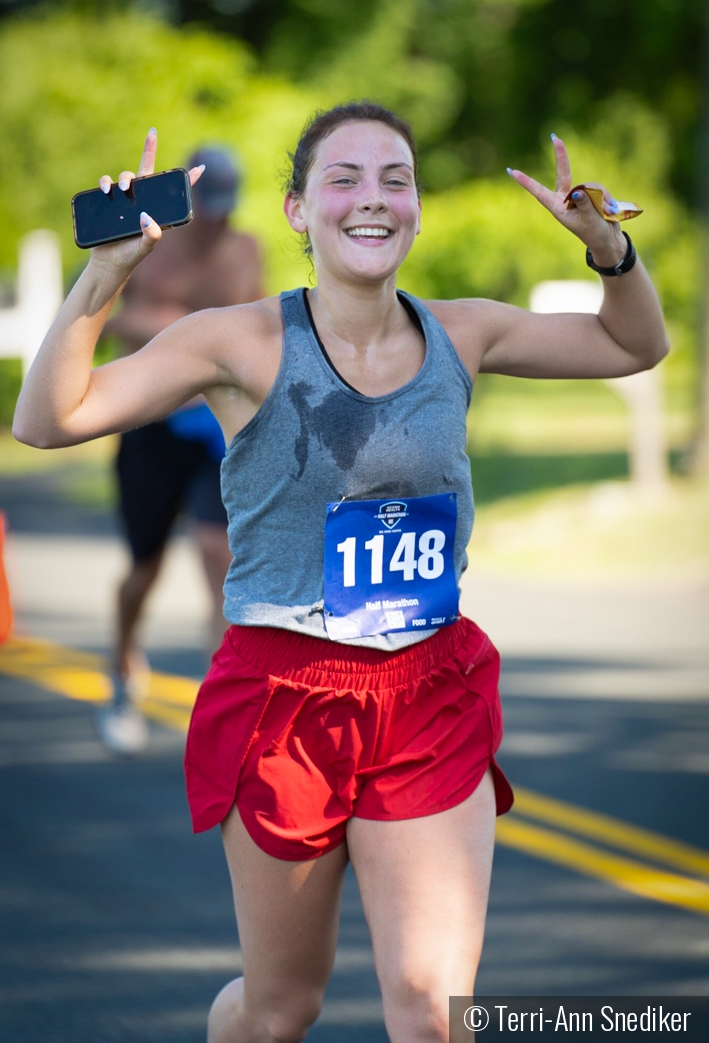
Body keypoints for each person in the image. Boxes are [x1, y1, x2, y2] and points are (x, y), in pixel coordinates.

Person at [13, 104, 668, 1043]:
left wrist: (609, 251)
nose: (373, 198)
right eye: (344, 179)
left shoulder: (463, 332)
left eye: (395, 178)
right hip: (283, 698)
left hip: (428, 690)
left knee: (431, 1010)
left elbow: (633, 345)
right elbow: (48, 420)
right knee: (281, 1009)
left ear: (416, 207)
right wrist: (106, 274)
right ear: (296, 210)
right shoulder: (235, 341)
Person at [99, 144, 263, 754]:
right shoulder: (150, 245)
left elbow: (256, 327)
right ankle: (121, 669)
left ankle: (226, 709)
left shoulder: (244, 251)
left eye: (226, 205)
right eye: (208, 205)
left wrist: (176, 324)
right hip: (148, 425)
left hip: (213, 426)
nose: (218, 217)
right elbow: (104, 318)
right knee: (144, 569)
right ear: (187, 201)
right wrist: (181, 324)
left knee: (217, 556)